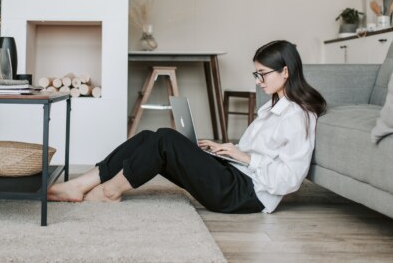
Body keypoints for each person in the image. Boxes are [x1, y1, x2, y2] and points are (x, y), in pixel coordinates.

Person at [47, 40, 327, 213]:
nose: (258, 80)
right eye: (256, 73)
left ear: (285, 72)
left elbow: (290, 179)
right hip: (235, 176)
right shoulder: (272, 108)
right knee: (148, 136)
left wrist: (244, 157)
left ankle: (109, 192)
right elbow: (258, 153)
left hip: (246, 195)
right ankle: (83, 183)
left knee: (166, 139)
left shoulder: (298, 117)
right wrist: (228, 149)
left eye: (262, 74)